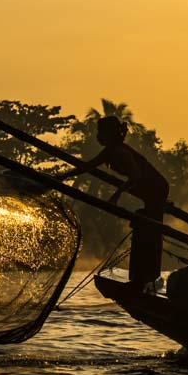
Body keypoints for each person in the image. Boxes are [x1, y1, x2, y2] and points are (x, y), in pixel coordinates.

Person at [67, 116, 170, 292]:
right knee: (145, 224)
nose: (98, 136)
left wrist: (117, 195)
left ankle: (144, 279)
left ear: (111, 133)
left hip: (156, 189)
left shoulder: (121, 152)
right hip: (148, 192)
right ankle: (141, 279)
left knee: (148, 229)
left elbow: (136, 176)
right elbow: (87, 167)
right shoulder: (109, 151)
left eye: (101, 132)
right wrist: (63, 176)